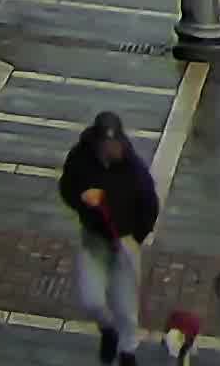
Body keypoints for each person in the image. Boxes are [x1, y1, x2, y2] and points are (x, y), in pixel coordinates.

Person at [56, 111, 160, 365]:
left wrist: (136, 237)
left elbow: (149, 206)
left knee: (126, 307)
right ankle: (108, 329)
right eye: (106, 143)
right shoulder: (80, 158)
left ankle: (127, 351)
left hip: (126, 242)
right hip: (95, 240)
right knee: (91, 299)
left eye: (114, 143)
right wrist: (81, 198)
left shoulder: (134, 170)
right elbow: (66, 187)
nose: (111, 149)